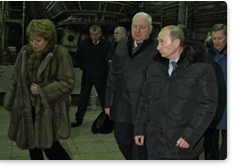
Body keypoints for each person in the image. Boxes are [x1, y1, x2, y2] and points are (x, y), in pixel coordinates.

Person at [134, 25, 218, 160]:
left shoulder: (201, 70)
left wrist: (190, 136)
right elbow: (145, 100)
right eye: (158, 42)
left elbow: (207, 106)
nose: (158, 47)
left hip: (182, 146)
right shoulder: (154, 68)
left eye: (162, 42)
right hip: (155, 145)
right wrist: (140, 128)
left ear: (176, 42)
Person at [3, 19, 75, 160]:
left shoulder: (59, 53)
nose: (33, 44)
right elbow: (16, 80)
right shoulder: (25, 52)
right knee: (33, 148)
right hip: (27, 109)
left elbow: (68, 82)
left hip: (49, 111)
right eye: (31, 39)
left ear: (48, 39)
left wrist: (42, 90)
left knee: (52, 149)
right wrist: (12, 104)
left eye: (38, 40)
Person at [105, 12, 158, 160]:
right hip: (122, 105)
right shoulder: (122, 45)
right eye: (134, 26)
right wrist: (108, 101)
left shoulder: (157, 49)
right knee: (122, 139)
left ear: (150, 28)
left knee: (139, 147)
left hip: (142, 107)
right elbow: (113, 74)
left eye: (142, 27)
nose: (137, 30)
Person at [71, 25, 113, 127]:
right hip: (88, 75)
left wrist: (105, 69)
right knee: (83, 98)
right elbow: (78, 59)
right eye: (92, 35)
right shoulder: (84, 44)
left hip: (102, 76)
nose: (94, 37)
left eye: (96, 34)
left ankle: (108, 120)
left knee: (104, 100)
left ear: (100, 34)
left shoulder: (107, 44)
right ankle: (78, 119)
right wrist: (86, 68)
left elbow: (111, 58)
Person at [204, 24, 227, 160]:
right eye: (214, 38)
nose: (217, 41)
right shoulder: (206, 55)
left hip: (228, 111)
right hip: (211, 110)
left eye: (220, 38)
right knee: (210, 152)